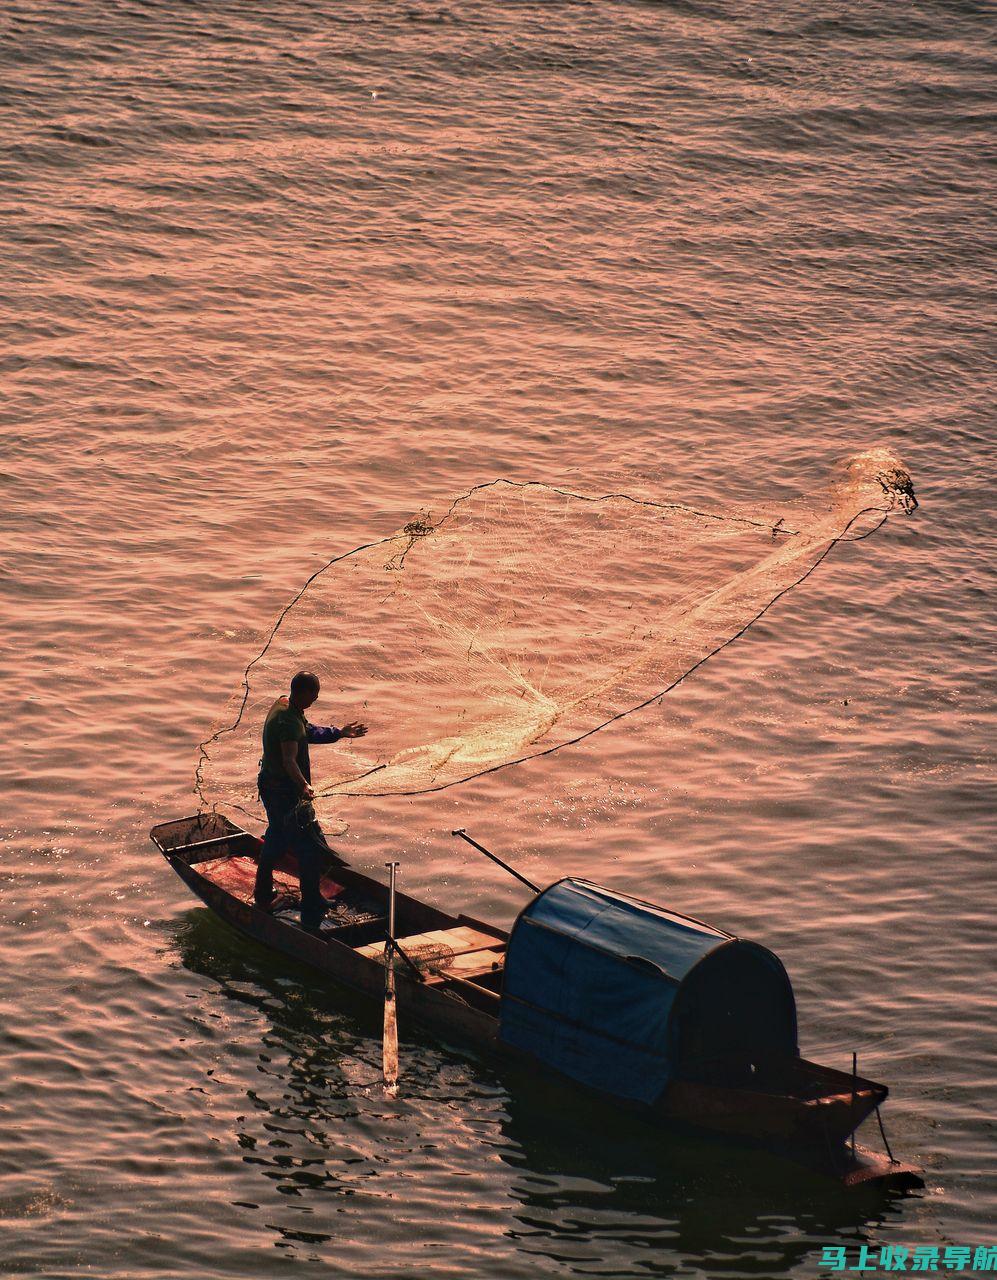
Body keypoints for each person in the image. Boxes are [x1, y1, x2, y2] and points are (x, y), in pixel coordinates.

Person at [253, 671, 367, 929]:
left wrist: (339, 733)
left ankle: (294, 896)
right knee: (303, 848)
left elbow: (308, 732)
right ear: (302, 693)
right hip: (283, 793)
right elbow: (288, 760)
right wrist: (304, 785)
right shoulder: (288, 720)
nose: (315, 700)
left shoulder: (285, 706)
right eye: (313, 696)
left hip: (277, 789)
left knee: (281, 840)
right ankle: (301, 901)